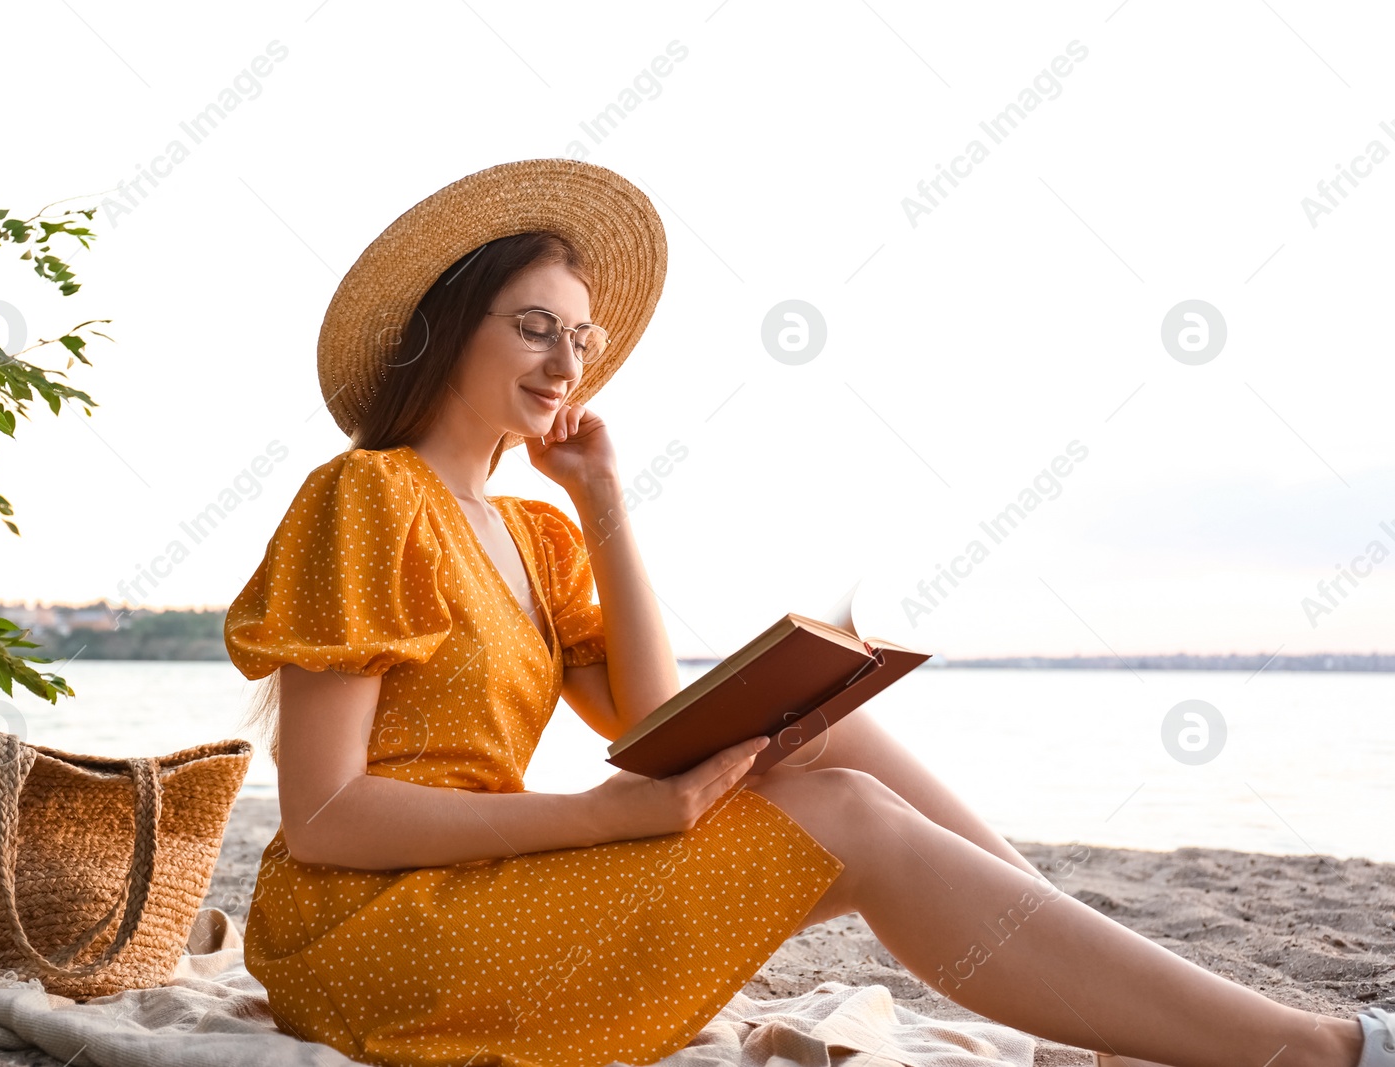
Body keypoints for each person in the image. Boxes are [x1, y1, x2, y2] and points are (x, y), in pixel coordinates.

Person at [223, 159, 1394, 1067]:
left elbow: (648, 712)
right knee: (851, 816)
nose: (566, 360)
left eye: (581, 337)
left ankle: (1117, 1005)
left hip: (485, 888)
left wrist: (605, 497)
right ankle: (1307, 1049)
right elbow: (327, 817)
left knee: (826, 733)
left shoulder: (537, 530)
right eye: (534, 326)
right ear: (448, 323)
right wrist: (605, 814)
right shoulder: (369, 495)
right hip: (368, 932)